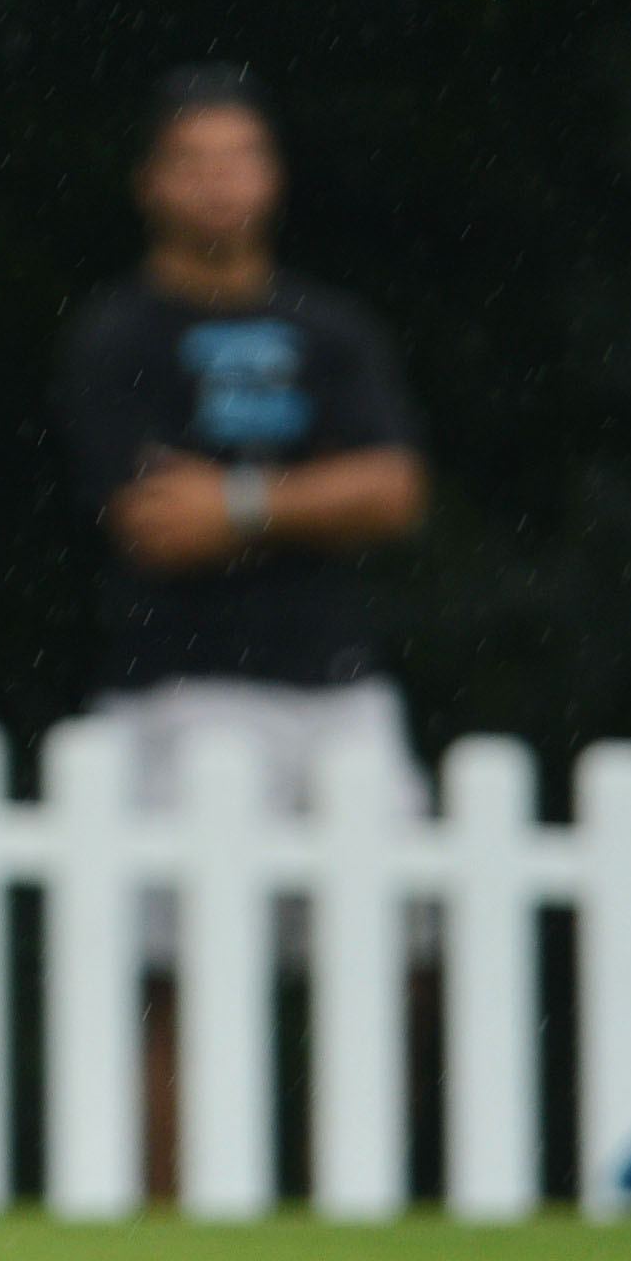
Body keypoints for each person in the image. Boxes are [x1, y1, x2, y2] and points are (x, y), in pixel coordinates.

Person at [55, 69, 429, 812]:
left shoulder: (333, 330)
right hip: (183, 688)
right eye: (192, 162)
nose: (217, 182)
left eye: (238, 158)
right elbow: (159, 525)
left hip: (341, 690)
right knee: (201, 927)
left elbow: (395, 493)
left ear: (273, 175)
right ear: (148, 183)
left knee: (376, 922)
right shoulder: (115, 338)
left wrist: (238, 501)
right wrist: (320, 499)